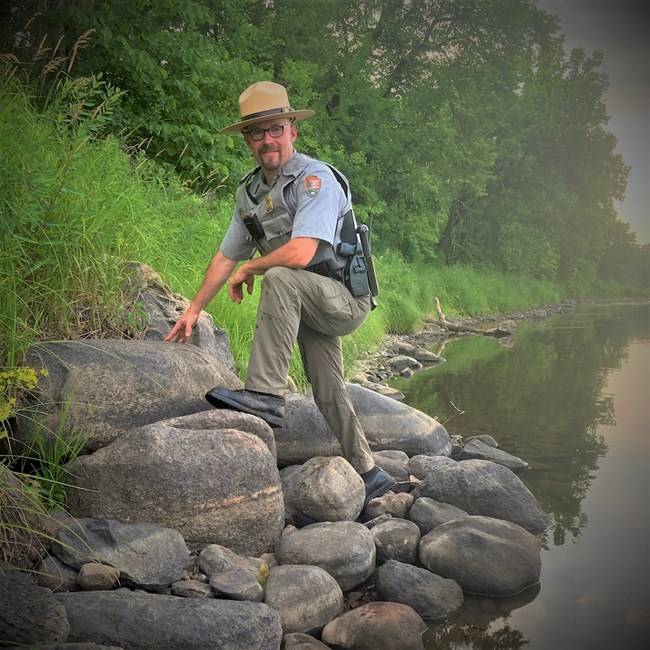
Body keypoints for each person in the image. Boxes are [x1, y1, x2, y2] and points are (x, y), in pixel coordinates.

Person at [165, 81, 395, 506]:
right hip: (307, 301)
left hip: (343, 300)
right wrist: (193, 310)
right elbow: (224, 257)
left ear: (292, 129)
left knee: (280, 277)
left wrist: (254, 266)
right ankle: (371, 472)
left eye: (275, 128)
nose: (266, 139)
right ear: (247, 140)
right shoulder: (250, 193)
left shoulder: (314, 179)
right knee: (327, 386)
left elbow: (303, 251)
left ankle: (265, 395)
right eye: (257, 132)